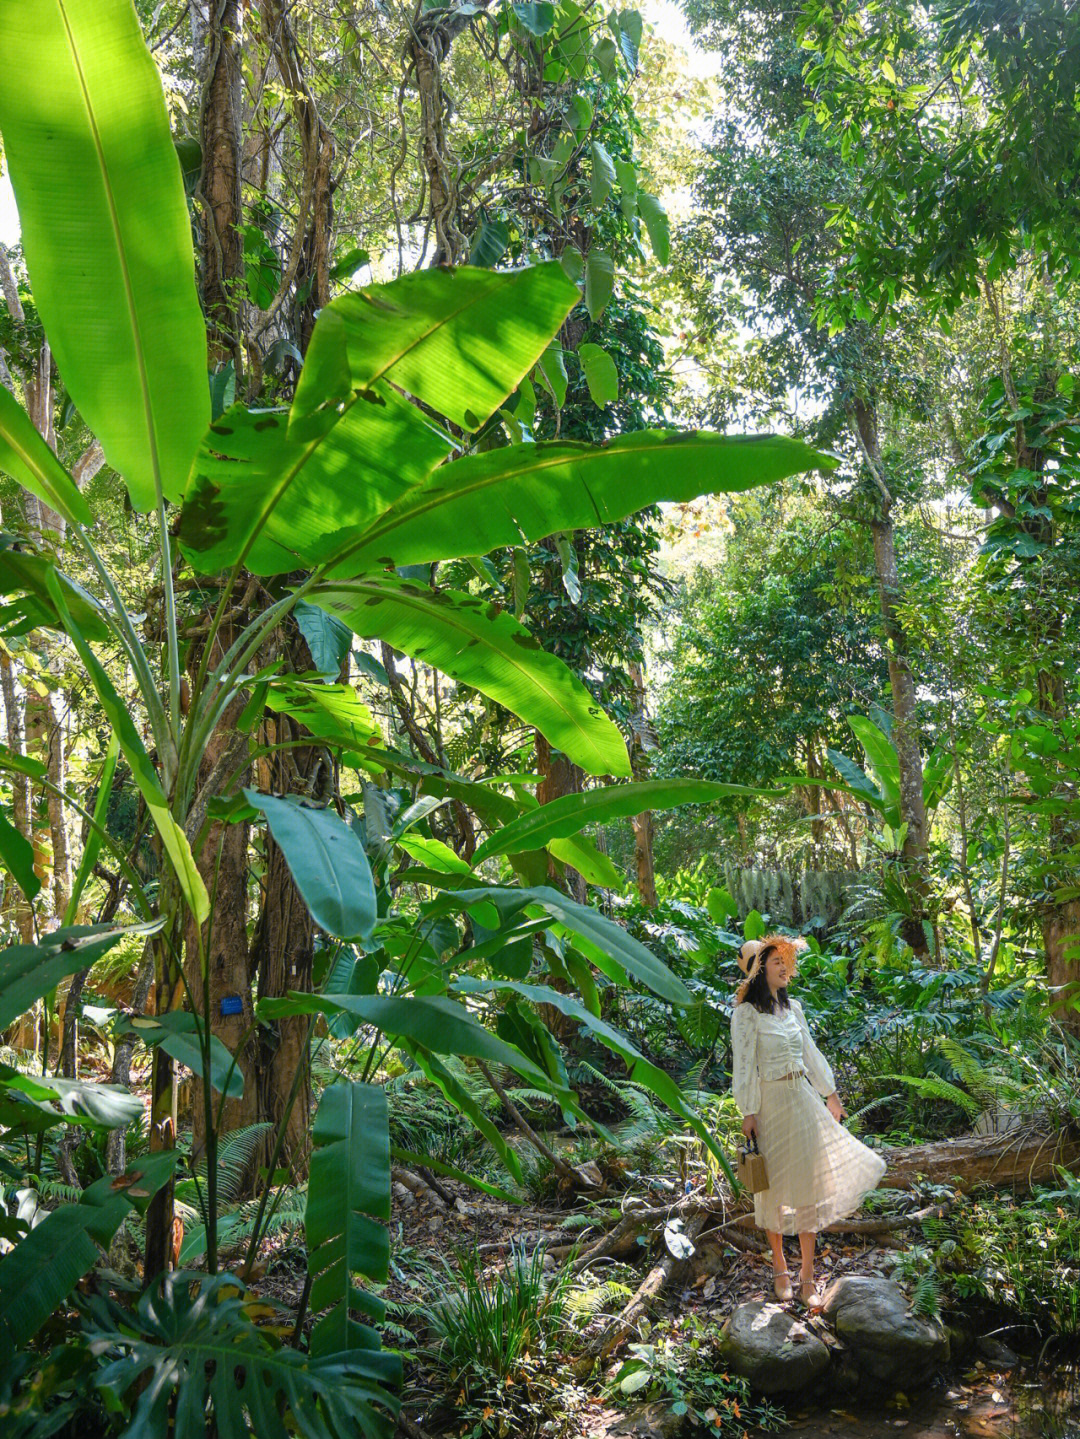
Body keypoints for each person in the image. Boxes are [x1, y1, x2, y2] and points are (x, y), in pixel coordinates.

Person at [730, 934, 886, 1305]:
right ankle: (780, 1268)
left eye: (787, 961)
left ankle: (807, 1276)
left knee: (808, 1188)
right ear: (759, 971)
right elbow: (744, 1066)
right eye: (777, 962)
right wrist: (748, 1111)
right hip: (770, 1105)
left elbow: (811, 1053)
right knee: (772, 1189)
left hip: (802, 1100)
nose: (785, 968)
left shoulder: (793, 1008)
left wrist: (830, 1092)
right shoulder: (746, 1015)